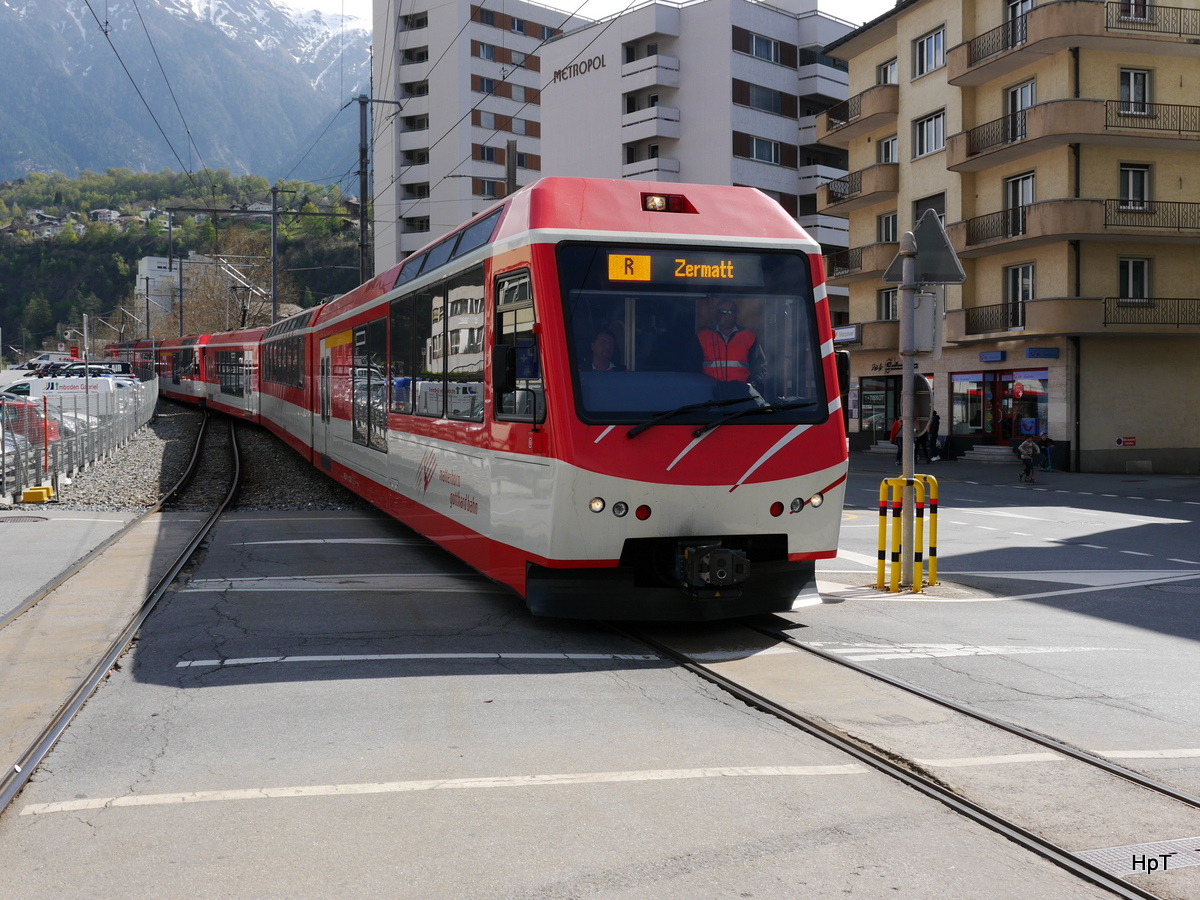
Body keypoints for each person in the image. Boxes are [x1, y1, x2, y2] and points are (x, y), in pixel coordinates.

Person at [696, 300, 765, 385]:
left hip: (740, 393)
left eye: (731, 312)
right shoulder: (702, 337)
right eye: (723, 312)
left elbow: (760, 367)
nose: (727, 316)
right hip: (709, 391)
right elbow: (692, 368)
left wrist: (751, 385)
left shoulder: (749, 337)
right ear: (716, 314)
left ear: (736, 314)